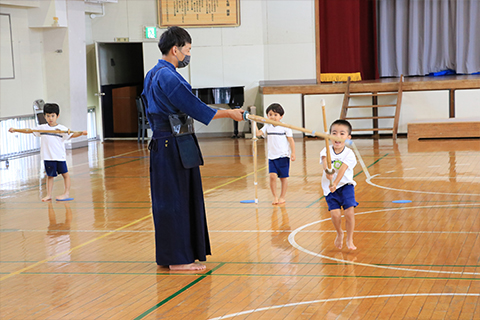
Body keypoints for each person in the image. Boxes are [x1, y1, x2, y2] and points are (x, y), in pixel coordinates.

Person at [142, 26, 244, 272]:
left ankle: (174, 255)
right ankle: (179, 259)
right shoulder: (169, 76)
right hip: (172, 144)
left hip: (164, 143)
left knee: (171, 200)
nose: (188, 55)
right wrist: (230, 112)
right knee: (175, 201)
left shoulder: (153, 73)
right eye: (187, 50)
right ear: (175, 49)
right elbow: (195, 108)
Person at [8, 103, 87, 202]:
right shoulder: (42, 128)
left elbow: (71, 135)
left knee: (65, 174)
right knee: (49, 176)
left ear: (57, 116)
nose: (50, 118)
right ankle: (48, 195)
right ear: (44, 116)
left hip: (59, 156)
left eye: (53, 116)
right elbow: (29, 130)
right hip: (48, 157)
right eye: (48, 116)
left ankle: (66, 193)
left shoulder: (62, 128)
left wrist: (81, 133)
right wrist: (15, 130)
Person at [320, 119, 358, 250]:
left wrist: (335, 182)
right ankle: (339, 233)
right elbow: (325, 163)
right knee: (335, 214)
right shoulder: (326, 150)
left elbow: (342, 169)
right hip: (329, 188)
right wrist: (327, 172)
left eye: (342, 133)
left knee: (349, 213)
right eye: (334, 133)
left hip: (345, 186)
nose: (337, 136)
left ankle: (350, 238)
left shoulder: (349, 154)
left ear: (348, 137)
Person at [255, 103, 296, 205]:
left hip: (283, 156)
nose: (272, 117)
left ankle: (282, 197)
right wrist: (254, 123)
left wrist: (293, 153)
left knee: (283, 178)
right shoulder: (267, 126)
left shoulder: (285, 127)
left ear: (281, 116)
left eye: (275, 115)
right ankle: (275, 197)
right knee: (272, 176)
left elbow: (291, 141)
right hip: (272, 156)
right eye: (270, 114)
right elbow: (258, 134)